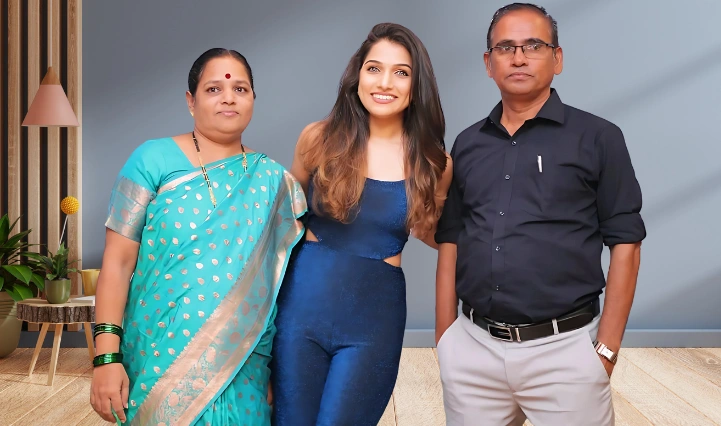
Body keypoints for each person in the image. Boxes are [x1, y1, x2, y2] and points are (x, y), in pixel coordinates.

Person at [434, 3, 646, 425]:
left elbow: (626, 241)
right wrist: (445, 341)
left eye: (533, 45)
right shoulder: (468, 143)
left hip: (566, 352)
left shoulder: (599, 138)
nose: (518, 57)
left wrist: (604, 350)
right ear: (488, 63)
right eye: (505, 47)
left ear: (558, 58)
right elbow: (451, 240)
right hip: (472, 350)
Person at [89, 48, 306, 426]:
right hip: (157, 355)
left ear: (253, 99)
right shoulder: (151, 159)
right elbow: (117, 264)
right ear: (191, 101)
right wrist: (106, 358)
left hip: (244, 360)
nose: (228, 97)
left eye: (240, 88)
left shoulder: (274, 182)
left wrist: (279, 372)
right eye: (213, 89)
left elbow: (282, 287)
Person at [270, 22, 453, 426]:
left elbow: (439, 235)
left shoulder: (433, 162)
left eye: (401, 72)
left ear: (415, 85)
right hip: (301, 310)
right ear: (357, 77)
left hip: (374, 319)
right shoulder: (317, 139)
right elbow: (278, 222)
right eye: (374, 68)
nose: (384, 82)